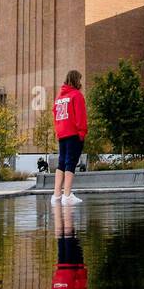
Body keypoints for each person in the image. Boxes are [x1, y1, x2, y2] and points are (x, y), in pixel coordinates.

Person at [51, 197, 87, 289]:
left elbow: (79, 287)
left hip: (73, 269)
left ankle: (67, 210)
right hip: (60, 270)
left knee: (70, 237)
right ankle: (60, 211)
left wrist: (82, 269)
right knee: (61, 238)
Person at [52, 69, 88, 205]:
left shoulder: (59, 98)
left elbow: (55, 114)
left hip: (62, 134)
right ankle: (67, 195)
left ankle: (56, 195)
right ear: (75, 80)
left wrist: (58, 130)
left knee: (62, 162)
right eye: (79, 79)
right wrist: (82, 132)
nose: (81, 82)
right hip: (73, 134)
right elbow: (80, 115)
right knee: (71, 162)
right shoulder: (76, 95)